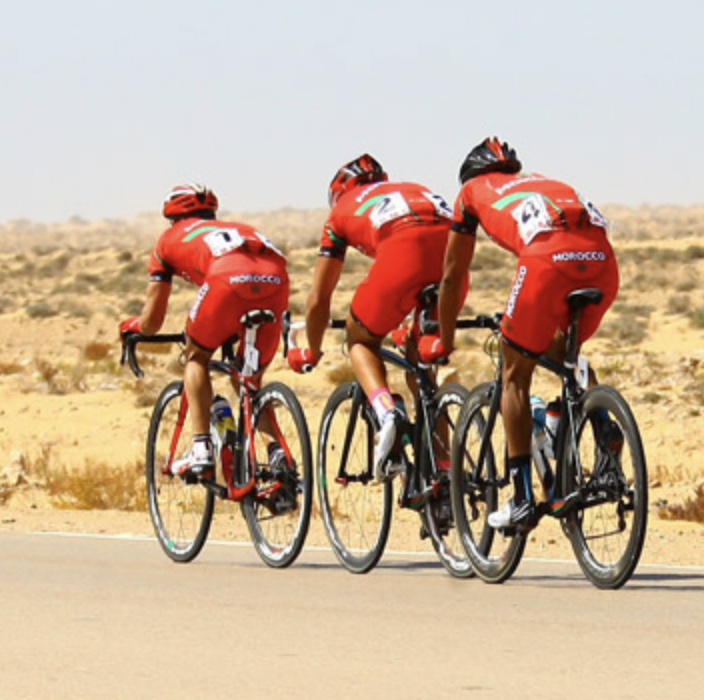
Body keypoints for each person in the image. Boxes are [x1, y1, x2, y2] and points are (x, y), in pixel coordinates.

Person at [422, 137, 619, 529]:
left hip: (546, 266)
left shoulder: (470, 192)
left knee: (514, 373)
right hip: (602, 263)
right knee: (565, 354)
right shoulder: (543, 181)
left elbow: (452, 275)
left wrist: (444, 336)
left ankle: (522, 498)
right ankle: (597, 426)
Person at [287, 154, 467, 480]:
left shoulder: (341, 211)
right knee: (420, 362)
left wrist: (311, 350)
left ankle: (386, 413)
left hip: (402, 253)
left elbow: (318, 299)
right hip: (453, 260)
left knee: (361, 339)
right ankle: (443, 469)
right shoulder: (413, 187)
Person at [119, 183, 289, 479]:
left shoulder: (168, 240)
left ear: (172, 217)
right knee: (249, 380)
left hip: (226, 281)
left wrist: (131, 326)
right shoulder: (238, 227)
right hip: (276, 279)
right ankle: (278, 455)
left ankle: (201, 446)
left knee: (196, 357)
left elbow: (152, 322)